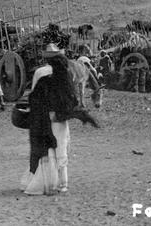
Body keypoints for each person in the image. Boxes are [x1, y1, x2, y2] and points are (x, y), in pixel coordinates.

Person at [21, 44, 98, 195]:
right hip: (59, 119)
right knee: (61, 149)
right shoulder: (65, 74)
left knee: (44, 149)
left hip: (43, 117)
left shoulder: (40, 73)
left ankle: (42, 180)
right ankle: (62, 183)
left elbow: (34, 96)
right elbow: (71, 100)